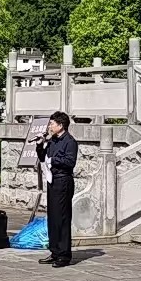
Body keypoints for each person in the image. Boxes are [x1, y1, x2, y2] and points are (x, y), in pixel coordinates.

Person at [36, 111, 78, 268]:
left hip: (63, 181)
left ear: (61, 125)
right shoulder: (52, 140)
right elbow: (43, 157)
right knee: (53, 217)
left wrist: (53, 160)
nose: (49, 126)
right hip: (52, 181)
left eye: (52, 124)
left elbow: (70, 162)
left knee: (62, 218)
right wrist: (40, 144)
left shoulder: (70, 142)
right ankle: (54, 251)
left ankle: (64, 255)